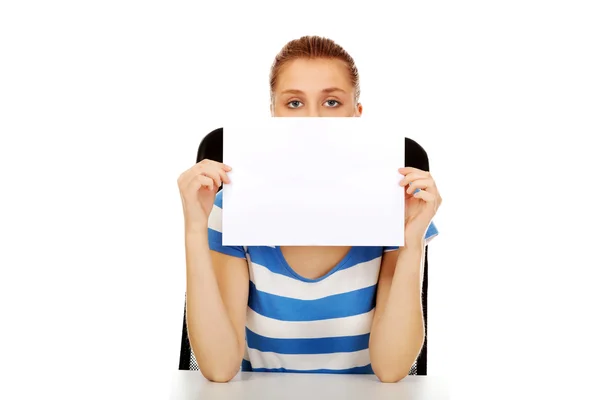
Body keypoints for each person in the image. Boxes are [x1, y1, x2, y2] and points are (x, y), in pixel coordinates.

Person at [177, 35, 442, 383]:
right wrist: (196, 227)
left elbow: (392, 370)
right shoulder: (233, 209)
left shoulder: (393, 209)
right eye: (294, 103)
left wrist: (411, 240)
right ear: (273, 114)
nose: (314, 120)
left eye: (332, 102)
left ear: (356, 115)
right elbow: (218, 368)